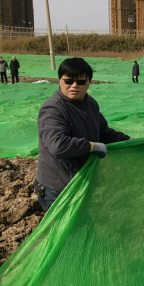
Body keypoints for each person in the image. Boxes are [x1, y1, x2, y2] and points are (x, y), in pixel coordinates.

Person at [35, 57, 131, 211]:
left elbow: (104, 132)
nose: (74, 86)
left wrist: (130, 141)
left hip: (81, 181)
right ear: (60, 80)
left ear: (89, 82)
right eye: (68, 81)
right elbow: (58, 145)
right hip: (57, 189)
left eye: (80, 82)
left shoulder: (90, 103)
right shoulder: (53, 109)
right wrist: (91, 146)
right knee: (70, 226)